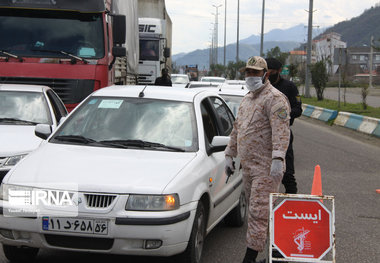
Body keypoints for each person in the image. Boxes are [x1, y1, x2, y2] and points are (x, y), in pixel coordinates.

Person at [225, 56, 290, 263]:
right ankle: (277, 252)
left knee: (257, 212)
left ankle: (249, 259)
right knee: (262, 212)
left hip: (266, 168)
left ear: (266, 74)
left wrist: (278, 158)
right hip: (248, 168)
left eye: (255, 72)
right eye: (248, 72)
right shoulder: (247, 99)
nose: (251, 76)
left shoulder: (275, 98)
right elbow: (237, 129)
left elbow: (281, 130)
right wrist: (229, 154)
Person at [265, 57, 303, 194]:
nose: (268, 74)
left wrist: (282, 114)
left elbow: (298, 109)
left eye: (271, 71)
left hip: (282, 135)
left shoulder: (289, 87)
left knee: (287, 174)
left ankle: (291, 204)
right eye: (266, 71)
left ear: (279, 71)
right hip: (263, 136)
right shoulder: (261, 88)